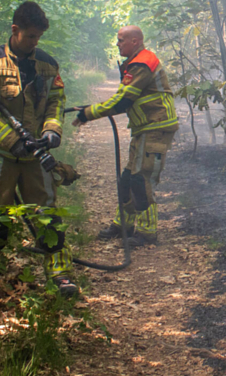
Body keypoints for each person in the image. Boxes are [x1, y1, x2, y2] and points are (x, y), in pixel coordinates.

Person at [0, 1, 78, 297]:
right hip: (0, 154)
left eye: (38, 37)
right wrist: (11, 140)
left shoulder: (47, 64)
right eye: (30, 36)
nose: (34, 42)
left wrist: (52, 131)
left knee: (47, 212)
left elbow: (57, 101)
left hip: (36, 156)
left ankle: (60, 274)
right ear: (15, 30)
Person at [73, 26, 178, 247]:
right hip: (145, 128)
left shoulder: (142, 63)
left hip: (156, 127)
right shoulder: (135, 61)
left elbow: (123, 101)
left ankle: (148, 233)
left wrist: (89, 113)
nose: (118, 44)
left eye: (121, 40)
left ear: (135, 41)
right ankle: (124, 225)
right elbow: (122, 98)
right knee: (128, 178)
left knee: (141, 179)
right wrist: (92, 110)